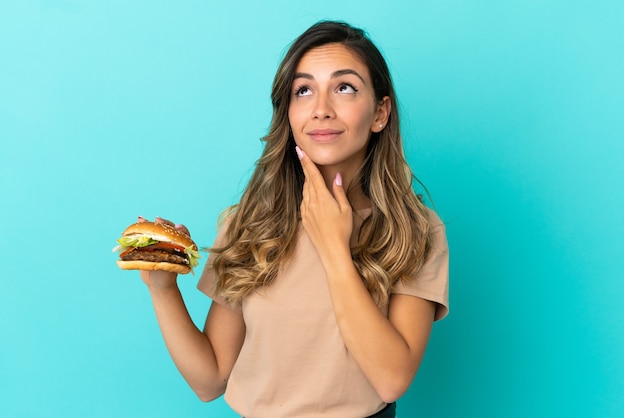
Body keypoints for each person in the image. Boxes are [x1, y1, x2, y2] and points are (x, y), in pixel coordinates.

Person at [138, 20, 449, 418]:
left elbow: (391, 380)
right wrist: (163, 289)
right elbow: (210, 379)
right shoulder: (249, 223)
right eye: (304, 90)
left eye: (344, 87)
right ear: (289, 113)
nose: (321, 109)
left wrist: (334, 247)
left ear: (380, 112)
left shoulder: (415, 230)